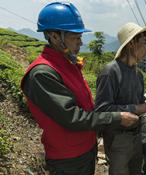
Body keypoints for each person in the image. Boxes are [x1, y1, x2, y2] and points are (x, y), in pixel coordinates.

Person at [20, 2, 138, 175]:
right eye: (75, 38)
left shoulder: (68, 64)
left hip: (84, 149)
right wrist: (116, 117)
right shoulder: (43, 74)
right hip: (68, 160)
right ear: (54, 36)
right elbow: (73, 117)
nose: (81, 42)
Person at [95, 22, 146, 175]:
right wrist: (135, 109)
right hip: (117, 140)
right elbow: (102, 111)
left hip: (136, 137)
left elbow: (140, 102)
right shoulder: (110, 72)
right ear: (131, 44)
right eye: (144, 42)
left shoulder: (138, 74)